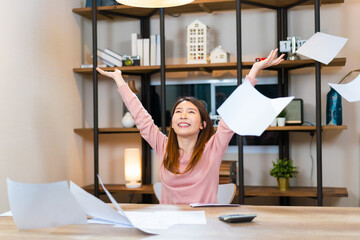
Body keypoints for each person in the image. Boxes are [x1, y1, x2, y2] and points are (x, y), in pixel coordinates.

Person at [97, 49, 284, 204]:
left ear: (203, 124)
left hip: (205, 226)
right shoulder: (163, 146)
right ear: (172, 121)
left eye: (191, 112)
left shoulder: (213, 148)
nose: (183, 115)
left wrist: (254, 71)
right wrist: (119, 81)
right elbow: (141, 117)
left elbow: (235, 110)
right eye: (178, 111)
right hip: (169, 227)